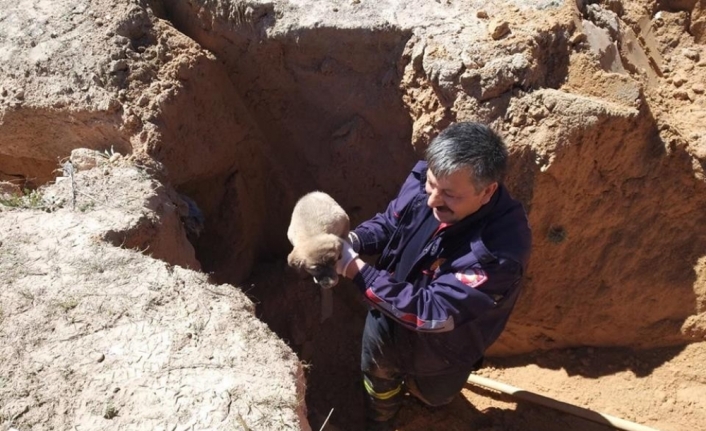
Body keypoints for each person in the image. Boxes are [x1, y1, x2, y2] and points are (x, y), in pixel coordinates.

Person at [334, 122, 532, 428]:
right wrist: (353, 242)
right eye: (430, 184)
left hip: (445, 348)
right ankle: (381, 420)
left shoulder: (499, 252)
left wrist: (354, 269)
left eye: (450, 196)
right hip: (388, 318)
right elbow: (391, 224)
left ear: (487, 191)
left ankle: (422, 394)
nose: (432, 201)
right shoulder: (435, 177)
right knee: (378, 379)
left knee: (434, 395)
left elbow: (434, 311)